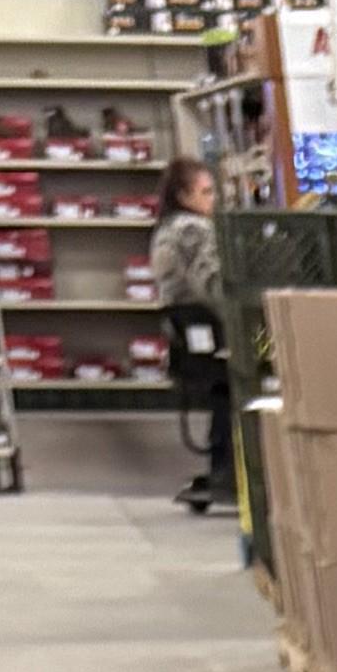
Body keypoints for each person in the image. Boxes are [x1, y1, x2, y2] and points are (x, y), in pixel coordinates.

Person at [149, 159, 231, 514]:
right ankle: (232, 470)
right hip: (210, 334)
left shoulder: (167, 227)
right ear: (184, 195)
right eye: (207, 191)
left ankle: (225, 465)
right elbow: (212, 284)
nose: (214, 200)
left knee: (227, 393)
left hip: (191, 339)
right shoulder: (191, 229)